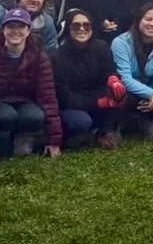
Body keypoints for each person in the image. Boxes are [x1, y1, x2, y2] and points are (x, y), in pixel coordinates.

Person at [0, 7, 63, 157]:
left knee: (35, 116)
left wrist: (54, 140)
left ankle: (23, 141)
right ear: (2, 30)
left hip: (24, 102)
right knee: (6, 116)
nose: (16, 31)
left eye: (21, 27)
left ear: (28, 31)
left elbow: (48, 97)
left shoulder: (40, 57)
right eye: (10, 27)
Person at [53, 8, 124, 150]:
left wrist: (114, 80)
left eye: (87, 25)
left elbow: (109, 73)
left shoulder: (102, 47)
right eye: (76, 25)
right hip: (72, 106)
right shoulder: (56, 57)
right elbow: (63, 96)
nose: (82, 29)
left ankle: (104, 131)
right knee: (81, 121)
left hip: (100, 100)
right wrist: (96, 102)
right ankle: (87, 134)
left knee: (122, 97)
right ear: (67, 28)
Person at [111, 4, 153, 138]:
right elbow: (125, 78)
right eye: (148, 19)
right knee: (123, 96)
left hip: (151, 86)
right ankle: (121, 125)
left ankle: (148, 120)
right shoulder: (120, 42)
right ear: (138, 21)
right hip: (127, 89)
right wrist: (152, 96)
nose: (152, 24)